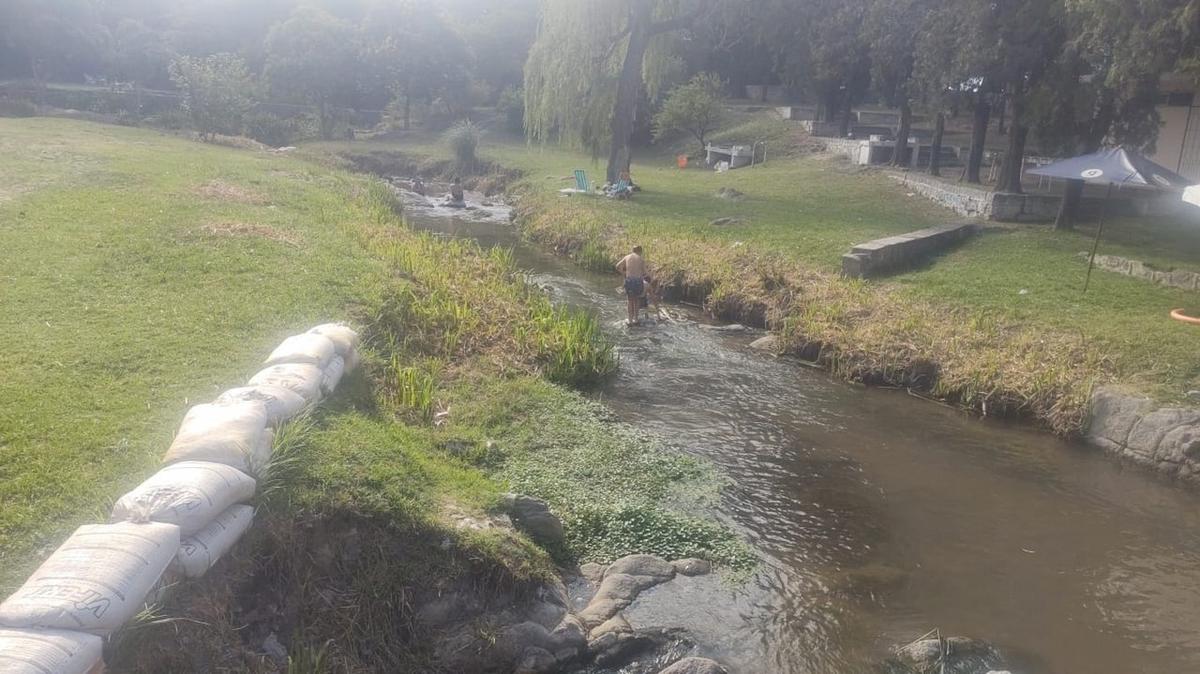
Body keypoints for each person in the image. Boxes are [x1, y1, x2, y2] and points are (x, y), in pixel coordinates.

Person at [616, 245, 646, 326]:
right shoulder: (641, 259)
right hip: (638, 281)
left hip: (629, 280)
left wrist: (624, 274)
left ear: (632, 250)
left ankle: (630, 320)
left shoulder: (627, 257)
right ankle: (636, 319)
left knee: (630, 300)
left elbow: (617, 266)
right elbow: (644, 272)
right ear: (640, 251)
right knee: (637, 300)